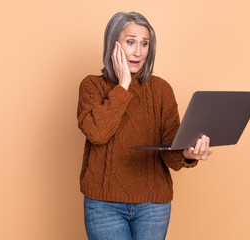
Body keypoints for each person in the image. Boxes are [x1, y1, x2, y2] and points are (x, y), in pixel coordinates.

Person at [77, 11, 212, 240]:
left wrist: (188, 154)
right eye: (130, 42)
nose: (138, 52)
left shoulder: (161, 90)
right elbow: (97, 133)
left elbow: (170, 153)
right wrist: (124, 85)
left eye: (144, 44)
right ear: (113, 44)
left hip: (153, 206)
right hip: (104, 206)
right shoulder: (91, 86)